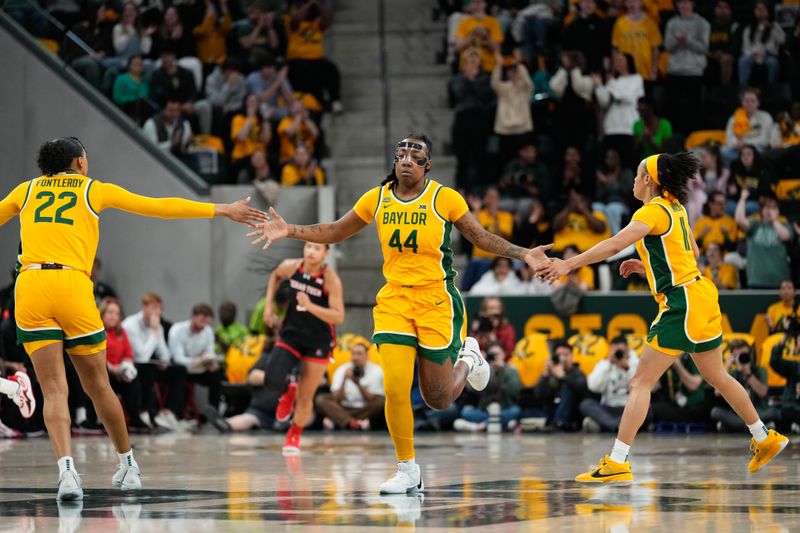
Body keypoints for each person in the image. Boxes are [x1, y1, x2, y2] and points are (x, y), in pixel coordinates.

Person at [248, 132, 550, 493]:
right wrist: (290, 230)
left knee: (437, 399)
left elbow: (481, 238)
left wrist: (523, 253)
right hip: (393, 302)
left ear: (427, 164)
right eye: (401, 153)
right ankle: (407, 469)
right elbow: (334, 231)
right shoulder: (377, 198)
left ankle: (468, 357)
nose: (406, 158)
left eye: (415, 154)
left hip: (436, 301)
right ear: (394, 162)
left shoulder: (444, 198)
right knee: (394, 387)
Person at [0, 136, 265, 500]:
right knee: (98, 386)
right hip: (72, 284)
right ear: (78, 162)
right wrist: (221, 209)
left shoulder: (25, 191)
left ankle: (66, 474)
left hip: (29, 284)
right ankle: (127, 465)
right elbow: (159, 206)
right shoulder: (92, 189)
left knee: (53, 390)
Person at [538, 152, 789, 483]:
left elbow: (614, 245)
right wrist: (649, 268)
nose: (632, 179)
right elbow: (692, 254)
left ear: (647, 180)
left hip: (681, 302)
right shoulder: (676, 208)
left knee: (641, 381)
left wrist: (567, 265)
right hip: (701, 294)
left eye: (636, 173)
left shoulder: (653, 210)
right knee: (719, 377)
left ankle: (617, 461)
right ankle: (763, 437)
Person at [259, 242, 344, 454]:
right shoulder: (292, 267)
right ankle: (288, 390)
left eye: (317, 248)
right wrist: (268, 305)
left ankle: (293, 435)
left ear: (325, 253)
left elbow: (338, 316)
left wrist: (311, 306)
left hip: (319, 340)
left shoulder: (330, 279)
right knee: (271, 379)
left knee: (306, 397)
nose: (311, 252)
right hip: (291, 334)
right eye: (308, 247)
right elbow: (275, 276)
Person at [122, 292, 185, 431]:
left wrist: (163, 361)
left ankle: (167, 412)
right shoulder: (130, 325)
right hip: (133, 367)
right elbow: (142, 356)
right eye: (154, 308)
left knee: (179, 370)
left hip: (149, 366)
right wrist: (154, 333)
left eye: (160, 309)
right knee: (146, 368)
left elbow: (165, 356)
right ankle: (143, 411)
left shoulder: (157, 326)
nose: (158, 312)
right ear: (144, 307)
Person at [168, 304, 223, 417]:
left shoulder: (207, 331)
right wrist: (197, 359)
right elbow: (177, 358)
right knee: (180, 371)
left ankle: (213, 414)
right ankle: (178, 414)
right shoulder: (177, 330)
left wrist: (209, 362)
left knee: (216, 374)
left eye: (207, 322)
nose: (204, 325)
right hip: (181, 369)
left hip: (199, 368)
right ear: (193, 316)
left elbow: (209, 353)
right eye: (202, 320)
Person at [315, 341, 385, 430]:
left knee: (381, 402)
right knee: (321, 399)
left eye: (359, 354)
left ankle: (344, 421)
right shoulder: (342, 369)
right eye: (353, 354)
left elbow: (373, 399)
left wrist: (358, 384)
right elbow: (336, 399)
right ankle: (354, 422)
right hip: (344, 407)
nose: (355, 357)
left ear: (367, 355)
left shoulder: (376, 371)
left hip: (364, 408)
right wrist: (344, 380)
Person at [453, 342, 521, 432]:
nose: (495, 357)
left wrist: (503, 370)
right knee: (466, 411)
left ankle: (482, 425)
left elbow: (514, 390)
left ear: (503, 354)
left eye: (497, 354)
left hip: (504, 408)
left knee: (515, 410)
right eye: (492, 355)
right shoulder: (484, 370)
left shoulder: (511, 370)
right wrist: (482, 364)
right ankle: (501, 424)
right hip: (485, 410)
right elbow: (474, 389)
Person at [100, 298, 146, 430]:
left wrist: (125, 367)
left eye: (116, 313)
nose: (113, 316)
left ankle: (135, 417)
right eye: (110, 312)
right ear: (102, 314)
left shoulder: (121, 332)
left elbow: (128, 354)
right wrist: (112, 368)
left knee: (134, 376)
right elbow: (96, 355)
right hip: (104, 370)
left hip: (119, 371)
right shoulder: (98, 332)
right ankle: (104, 419)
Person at [712, 339, 777, 431]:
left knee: (774, 411)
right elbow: (717, 392)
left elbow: (762, 392)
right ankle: (758, 427)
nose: (742, 358)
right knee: (715, 412)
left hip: (758, 413)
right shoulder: (732, 373)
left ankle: (739, 427)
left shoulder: (759, 371)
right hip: (738, 414)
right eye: (738, 356)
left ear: (750, 355)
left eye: (744, 355)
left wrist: (748, 374)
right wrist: (726, 367)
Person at [580, 336, 639, 432]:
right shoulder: (604, 364)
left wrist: (626, 368)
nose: (619, 354)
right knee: (586, 404)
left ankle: (604, 424)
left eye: (621, 352)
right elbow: (593, 386)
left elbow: (640, 387)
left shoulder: (637, 363)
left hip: (630, 408)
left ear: (628, 349)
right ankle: (617, 425)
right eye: (616, 351)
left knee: (647, 409)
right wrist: (608, 364)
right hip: (609, 408)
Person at [736, 191, 792, 289]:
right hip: (756, 280)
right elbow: (739, 219)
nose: (770, 210)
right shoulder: (755, 225)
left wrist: (774, 220)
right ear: (762, 210)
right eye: (767, 207)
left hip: (780, 282)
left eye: (773, 208)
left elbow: (785, 236)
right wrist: (743, 198)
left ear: (778, 211)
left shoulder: (785, 225)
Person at [739, 1, 785, 87]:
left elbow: (782, 40)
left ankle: (772, 88)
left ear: (767, 12)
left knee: (773, 63)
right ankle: (743, 89)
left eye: (763, 9)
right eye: (758, 9)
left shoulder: (774, 25)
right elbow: (745, 47)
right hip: (752, 55)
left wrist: (771, 27)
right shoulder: (749, 27)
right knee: (743, 61)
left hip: (769, 55)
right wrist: (753, 54)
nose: (760, 11)